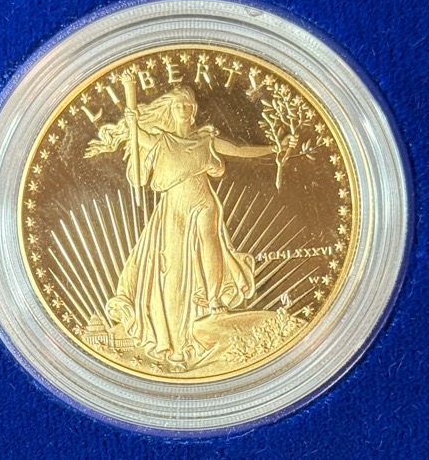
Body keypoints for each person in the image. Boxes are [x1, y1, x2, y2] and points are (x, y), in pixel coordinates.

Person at [86, 86, 294, 364]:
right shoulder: (161, 140)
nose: (184, 109)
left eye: (188, 105)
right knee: (173, 268)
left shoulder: (205, 139)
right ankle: (175, 333)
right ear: (170, 110)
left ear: (194, 109)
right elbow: (138, 137)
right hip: (174, 209)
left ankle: (213, 300)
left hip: (204, 201)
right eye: (179, 105)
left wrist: (276, 148)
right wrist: (131, 121)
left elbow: (239, 150)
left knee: (210, 244)